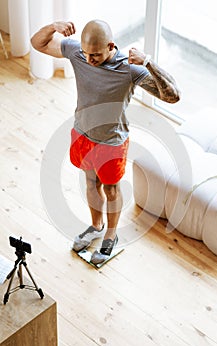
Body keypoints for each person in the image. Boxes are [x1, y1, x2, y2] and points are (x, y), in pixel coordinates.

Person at [31, 19, 180, 264]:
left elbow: (173, 96)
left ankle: (111, 235)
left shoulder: (129, 69)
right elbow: (38, 43)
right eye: (87, 54)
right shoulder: (78, 52)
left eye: (96, 55)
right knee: (90, 183)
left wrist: (149, 62)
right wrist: (53, 27)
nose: (89, 60)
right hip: (82, 135)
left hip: (112, 143)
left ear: (111, 45)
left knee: (111, 189)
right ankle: (96, 226)